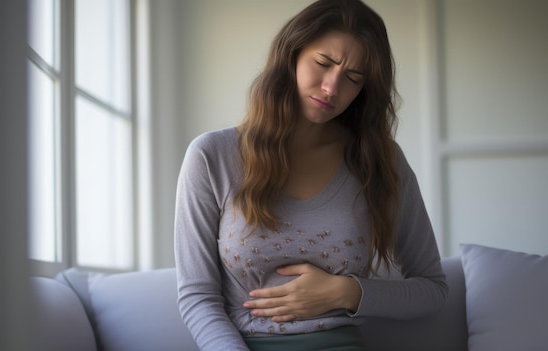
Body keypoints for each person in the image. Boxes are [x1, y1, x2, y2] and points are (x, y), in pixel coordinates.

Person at [174, 0, 448, 350]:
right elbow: (197, 297)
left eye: (352, 79)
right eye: (323, 63)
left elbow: (433, 290)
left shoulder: (381, 162)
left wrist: (347, 291)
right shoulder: (211, 156)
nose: (332, 88)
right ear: (292, 55)